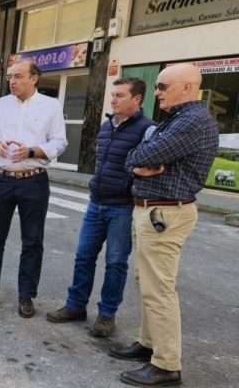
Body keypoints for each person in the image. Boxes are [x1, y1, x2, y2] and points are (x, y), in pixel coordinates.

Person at [111, 64, 218, 387]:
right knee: (147, 281)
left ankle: (166, 364)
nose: (156, 92)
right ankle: (149, 344)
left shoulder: (191, 122)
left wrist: (140, 160)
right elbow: (134, 158)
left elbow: (142, 155)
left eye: (162, 86)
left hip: (165, 214)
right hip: (154, 210)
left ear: (186, 87)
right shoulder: (178, 119)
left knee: (159, 289)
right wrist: (139, 161)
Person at [46, 78, 154, 337]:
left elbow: (149, 167)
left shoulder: (147, 129)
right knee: (83, 257)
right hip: (96, 204)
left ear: (136, 99)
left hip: (123, 207)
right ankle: (75, 306)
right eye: (112, 95)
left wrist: (130, 187)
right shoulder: (107, 127)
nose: (113, 100)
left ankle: (107, 315)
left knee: (116, 263)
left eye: (119, 95)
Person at [0, 60, 67, 318]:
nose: (12, 81)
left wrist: (32, 151)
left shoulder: (51, 106)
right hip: (0, 179)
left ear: (34, 78)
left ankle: (26, 295)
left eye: (19, 76)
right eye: (11, 76)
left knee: (32, 240)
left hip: (33, 180)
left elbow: (60, 142)